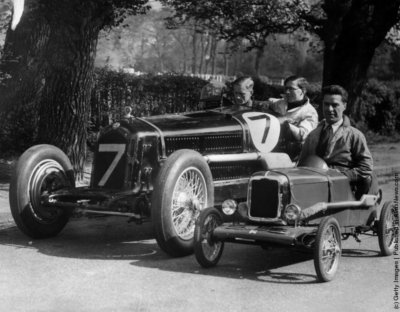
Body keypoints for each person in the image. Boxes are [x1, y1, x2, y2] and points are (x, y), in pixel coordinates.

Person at [299, 85, 374, 199]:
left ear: (344, 106)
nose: (329, 109)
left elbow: (366, 167)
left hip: (345, 189)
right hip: (316, 186)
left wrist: (342, 176)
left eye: (334, 105)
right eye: (326, 104)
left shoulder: (355, 135)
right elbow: (302, 164)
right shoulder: (313, 135)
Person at [266, 76, 318, 143]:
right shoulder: (279, 103)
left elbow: (302, 135)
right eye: (286, 88)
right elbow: (267, 102)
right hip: (270, 143)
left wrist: (283, 122)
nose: (287, 92)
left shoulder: (310, 112)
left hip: (292, 149)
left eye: (291, 89)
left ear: (303, 91)